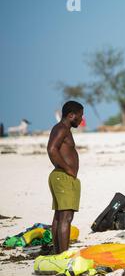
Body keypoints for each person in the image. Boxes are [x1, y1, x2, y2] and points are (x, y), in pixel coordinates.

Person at [47, 101, 84, 254]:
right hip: (62, 177)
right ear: (71, 115)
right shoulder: (61, 129)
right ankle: (63, 256)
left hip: (61, 177)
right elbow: (51, 149)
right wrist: (67, 168)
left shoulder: (63, 129)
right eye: (80, 115)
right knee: (66, 218)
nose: (81, 119)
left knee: (59, 217)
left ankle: (58, 254)